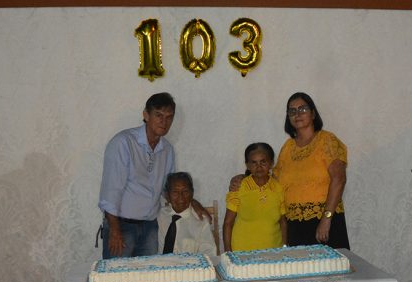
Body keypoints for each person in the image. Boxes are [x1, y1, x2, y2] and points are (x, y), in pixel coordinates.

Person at [229, 92, 350, 249]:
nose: (297, 114)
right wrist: (244, 177)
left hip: (325, 222)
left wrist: (326, 218)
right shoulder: (288, 148)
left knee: (328, 265)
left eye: (302, 109)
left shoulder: (327, 140)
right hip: (294, 225)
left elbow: (339, 179)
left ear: (313, 113)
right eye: (292, 111)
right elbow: (271, 178)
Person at [98, 93, 209, 259]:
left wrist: (192, 202)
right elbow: (110, 191)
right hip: (121, 226)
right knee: (117, 274)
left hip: (150, 227)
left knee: (148, 274)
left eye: (169, 117)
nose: (164, 122)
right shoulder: (124, 142)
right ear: (146, 115)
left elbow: (167, 189)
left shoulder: (167, 150)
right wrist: (114, 230)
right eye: (159, 115)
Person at [223, 143, 286, 251]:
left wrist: (284, 247)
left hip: (274, 251)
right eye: (254, 162)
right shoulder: (238, 187)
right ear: (247, 165)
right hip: (242, 252)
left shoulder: (278, 188)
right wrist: (228, 252)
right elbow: (228, 223)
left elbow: (283, 222)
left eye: (263, 162)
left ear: (271, 163)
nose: (259, 167)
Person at [157, 172, 217, 258]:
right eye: (175, 192)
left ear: (192, 193)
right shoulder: (160, 215)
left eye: (185, 191)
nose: (181, 197)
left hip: (191, 265)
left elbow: (209, 254)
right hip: (161, 265)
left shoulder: (201, 222)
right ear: (167, 195)